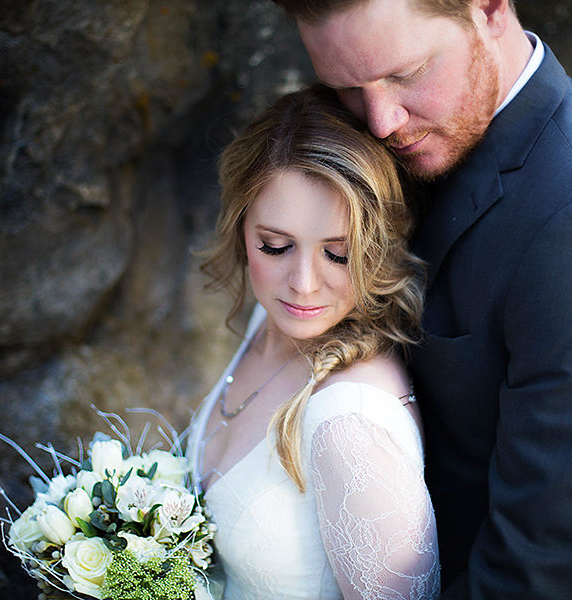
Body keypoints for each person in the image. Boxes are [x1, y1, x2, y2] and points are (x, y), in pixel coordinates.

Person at [269, 0, 572, 598]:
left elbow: (535, 576)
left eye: (405, 74)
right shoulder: (398, 147)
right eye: (346, 88)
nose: (381, 121)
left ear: (491, 8)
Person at [188, 84, 440, 599]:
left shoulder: (351, 421)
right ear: (242, 229)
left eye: (338, 254)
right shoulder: (272, 321)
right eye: (276, 246)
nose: (303, 283)